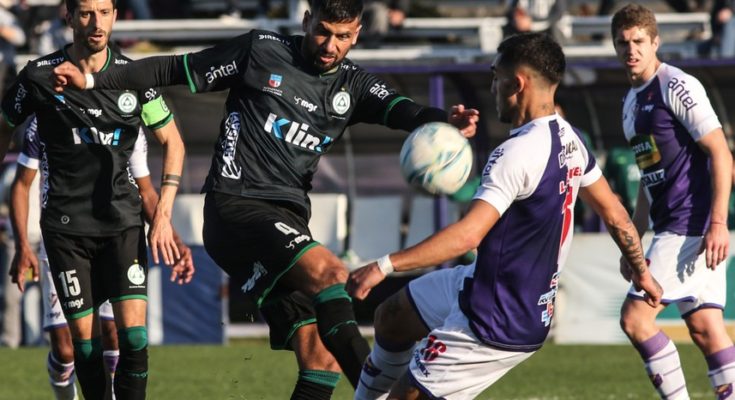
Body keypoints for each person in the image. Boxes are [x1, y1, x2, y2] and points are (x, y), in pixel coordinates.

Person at [52, 0, 479, 397]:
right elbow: (171, 68)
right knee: (332, 273)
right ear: (307, 19)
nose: (331, 45)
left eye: (344, 36)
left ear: (359, 33)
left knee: (320, 353)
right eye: (323, 32)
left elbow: (405, 110)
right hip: (235, 205)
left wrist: (445, 119)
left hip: (286, 222)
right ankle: (377, 393)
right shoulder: (261, 50)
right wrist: (93, 79)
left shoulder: (354, 85)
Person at [346, 32, 663, 400]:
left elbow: (467, 237)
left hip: (496, 319)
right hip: (489, 286)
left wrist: (383, 265)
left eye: (495, 76)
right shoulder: (570, 138)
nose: (492, 86)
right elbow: (616, 214)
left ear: (517, 83)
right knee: (393, 316)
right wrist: (642, 273)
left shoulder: (515, 152)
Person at [0, 0, 192, 399]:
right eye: (86, 12)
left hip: (122, 224)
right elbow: (4, 127)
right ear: (67, 17)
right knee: (82, 346)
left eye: (104, 11)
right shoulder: (38, 75)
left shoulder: (134, 77)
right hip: (66, 233)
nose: (96, 22)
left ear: (116, 15)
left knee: (133, 339)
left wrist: (163, 217)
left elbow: (173, 141)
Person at [11, 117, 194, 400]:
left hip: (114, 239)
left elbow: (145, 189)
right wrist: (23, 245)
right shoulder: (45, 118)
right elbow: (23, 184)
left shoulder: (126, 117)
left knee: (115, 334)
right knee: (66, 348)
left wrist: (174, 238)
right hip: (64, 241)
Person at [611, 4, 735, 399]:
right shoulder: (631, 105)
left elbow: (721, 152)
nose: (631, 50)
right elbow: (650, 176)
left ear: (655, 42)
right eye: (623, 43)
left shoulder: (676, 85)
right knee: (706, 330)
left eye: (639, 42)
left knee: (635, 319)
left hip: (690, 226)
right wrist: (633, 238)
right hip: (670, 227)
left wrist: (718, 223)